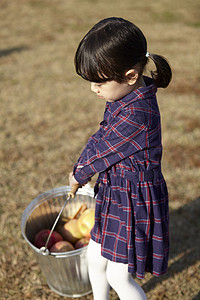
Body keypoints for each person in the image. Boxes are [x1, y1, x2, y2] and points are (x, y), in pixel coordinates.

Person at [69, 17, 172, 300]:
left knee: (118, 275)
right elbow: (101, 137)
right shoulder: (123, 97)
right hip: (116, 192)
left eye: (99, 82)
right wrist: (81, 169)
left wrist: (79, 173)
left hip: (133, 201)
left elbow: (105, 149)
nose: (93, 88)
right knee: (94, 258)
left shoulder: (138, 115)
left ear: (129, 76)